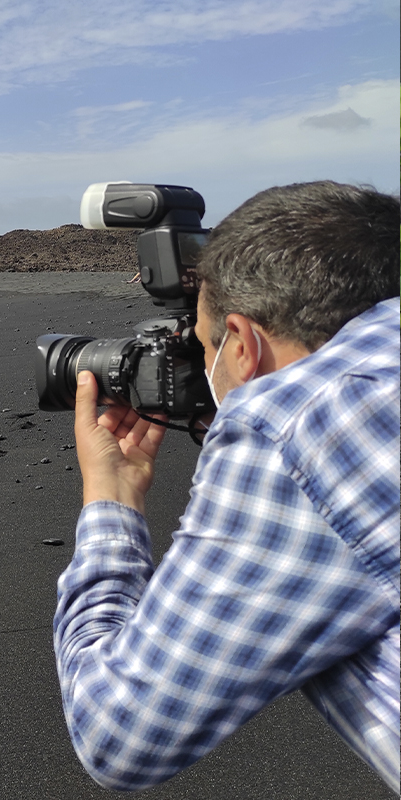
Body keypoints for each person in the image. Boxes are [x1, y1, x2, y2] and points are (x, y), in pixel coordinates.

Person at [54, 181, 400, 792]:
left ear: (240, 344)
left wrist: (112, 502)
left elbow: (118, 735)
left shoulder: (298, 425)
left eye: (208, 346)